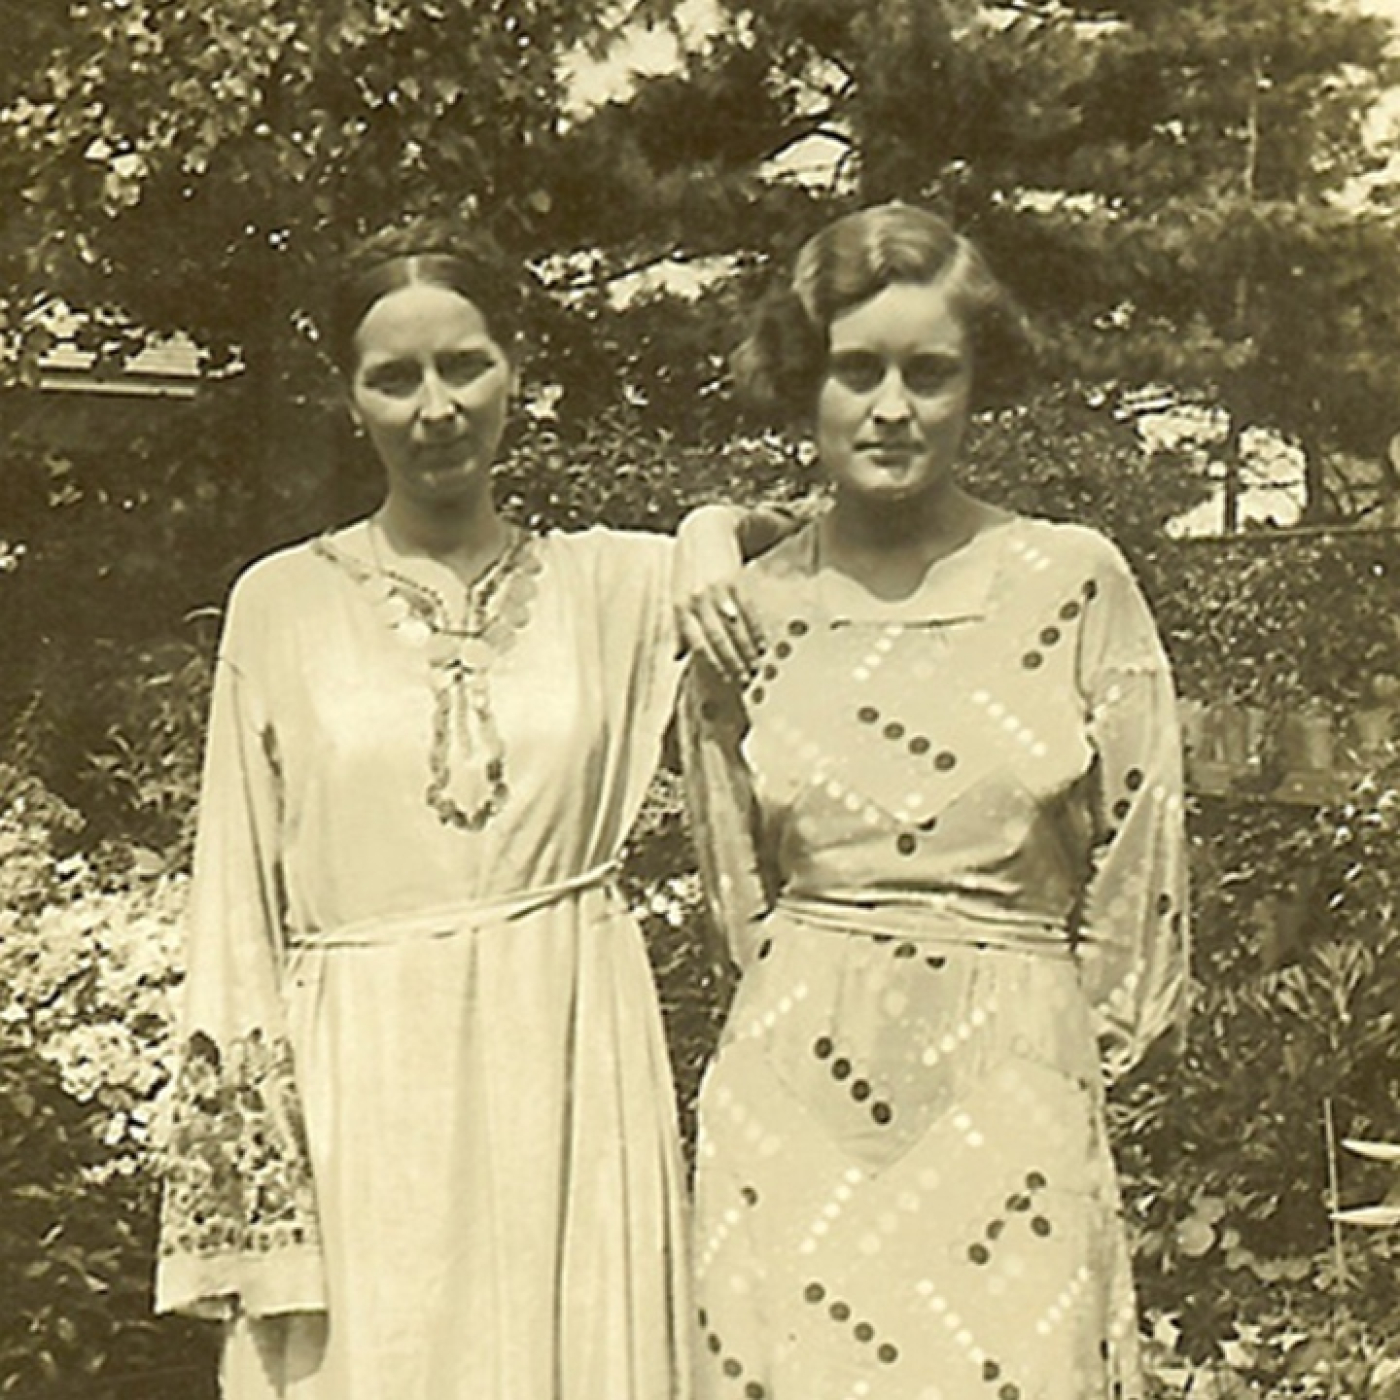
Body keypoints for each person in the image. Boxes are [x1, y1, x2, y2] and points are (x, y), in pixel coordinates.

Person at [154, 214, 785, 1400]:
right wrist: (258, 1217)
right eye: (393, 377)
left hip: (571, 1052)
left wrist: (713, 529)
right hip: (366, 1077)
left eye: (464, 365)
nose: (435, 407)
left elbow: (824, 534)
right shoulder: (279, 604)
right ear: (349, 397)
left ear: (514, 370)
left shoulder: (613, 582)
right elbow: (233, 903)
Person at [680, 202, 1189, 1400]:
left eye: (929, 371)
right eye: (855, 369)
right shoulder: (746, 607)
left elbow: (1141, 853)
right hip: (792, 1110)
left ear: (976, 382)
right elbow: (731, 883)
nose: (891, 406)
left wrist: (1054, 1057)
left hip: (1014, 1097)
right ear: (804, 381)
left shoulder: (1071, 579)